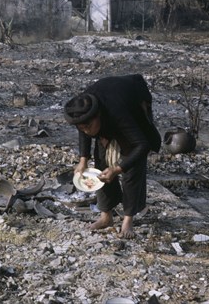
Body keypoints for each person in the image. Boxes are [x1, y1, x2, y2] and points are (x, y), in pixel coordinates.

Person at [64, 74, 161, 238]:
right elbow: (84, 130)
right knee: (100, 168)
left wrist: (118, 168)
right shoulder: (81, 110)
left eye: (89, 126)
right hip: (108, 109)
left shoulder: (118, 112)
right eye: (82, 127)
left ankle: (128, 220)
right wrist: (83, 160)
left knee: (131, 168)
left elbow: (142, 145)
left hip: (132, 104)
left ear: (98, 116)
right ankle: (106, 216)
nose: (86, 131)